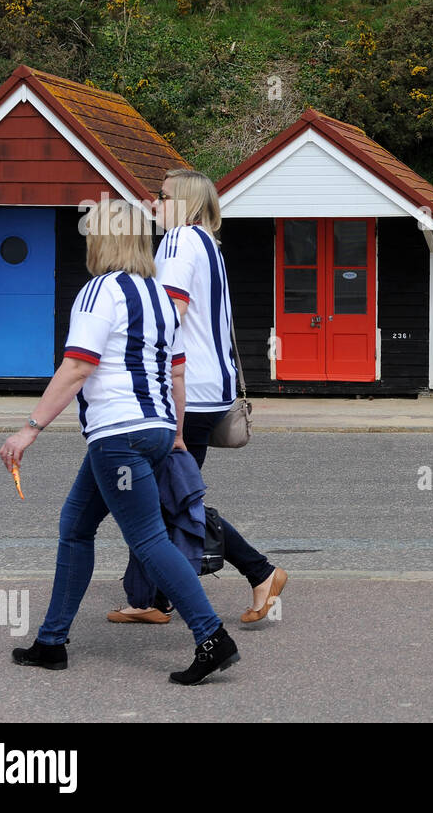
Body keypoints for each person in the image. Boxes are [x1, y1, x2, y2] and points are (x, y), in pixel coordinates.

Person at [3, 199, 239, 685]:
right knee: (75, 525)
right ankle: (51, 641)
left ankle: (212, 636)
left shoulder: (99, 291)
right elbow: (178, 372)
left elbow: (78, 367)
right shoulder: (158, 295)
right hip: (149, 431)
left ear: (102, 241)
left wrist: (29, 429)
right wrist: (173, 433)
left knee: (148, 539)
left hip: (118, 436)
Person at [108, 169, 286, 626]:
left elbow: (171, 314)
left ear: (185, 203)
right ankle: (146, 596)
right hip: (212, 386)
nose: (154, 205)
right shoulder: (207, 242)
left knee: (172, 499)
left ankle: (259, 570)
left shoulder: (179, 241)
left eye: (163, 197)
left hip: (187, 390)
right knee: (157, 498)